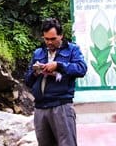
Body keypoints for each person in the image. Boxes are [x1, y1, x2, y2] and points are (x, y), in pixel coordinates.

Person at [24, 18, 87, 146]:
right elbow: (28, 81)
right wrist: (36, 72)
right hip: (40, 107)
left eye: (53, 39)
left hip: (61, 106)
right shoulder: (38, 53)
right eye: (46, 39)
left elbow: (81, 68)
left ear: (61, 36)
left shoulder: (72, 50)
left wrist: (59, 65)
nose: (49, 42)